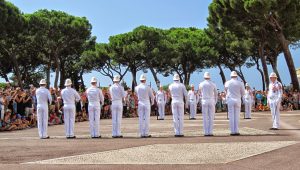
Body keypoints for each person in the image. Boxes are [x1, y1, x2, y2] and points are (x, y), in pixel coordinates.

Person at [224, 71, 245, 136]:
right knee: (237, 116)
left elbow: (225, 90)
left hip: (230, 99)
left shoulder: (227, 82)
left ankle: (232, 131)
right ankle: (236, 130)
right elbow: (243, 93)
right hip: (237, 99)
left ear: (231, 76)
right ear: (237, 76)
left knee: (231, 116)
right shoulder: (240, 83)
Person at [199, 72, 218, 136]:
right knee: (211, 117)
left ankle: (206, 132)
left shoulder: (201, 84)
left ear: (204, 77)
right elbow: (216, 94)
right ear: (209, 77)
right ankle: (210, 132)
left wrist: (201, 100)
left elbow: (199, 93)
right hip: (211, 100)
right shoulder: (213, 84)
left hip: (204, 100)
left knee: (205, 117)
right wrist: (215, 102)